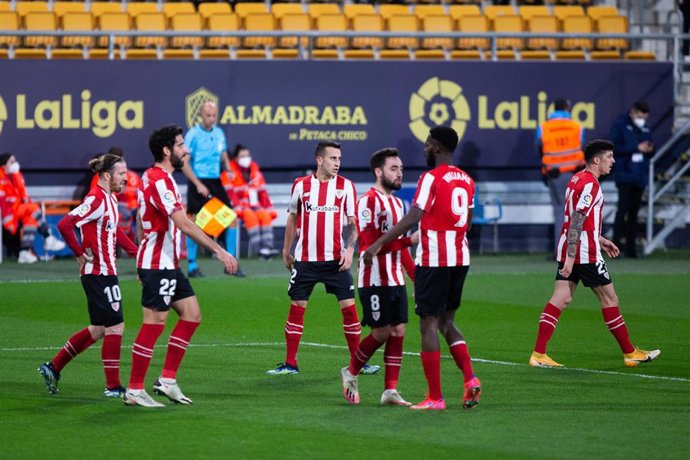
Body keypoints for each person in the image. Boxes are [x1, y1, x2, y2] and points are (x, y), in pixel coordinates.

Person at [363, 126, 482, 411]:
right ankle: (470, 379)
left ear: (437, 147)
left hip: (435, 259)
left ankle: (435, 397)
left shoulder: (431, 177)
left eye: (428, 144)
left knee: (429, 325)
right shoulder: (467, 180)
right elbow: (467, 221)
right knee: (447, 323)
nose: (425, 148)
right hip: (460, 258)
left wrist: (377, 243)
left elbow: (414, 216)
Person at [123, 125, 238, 407]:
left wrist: (140, 257)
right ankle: (135, 389)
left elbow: (140, 219)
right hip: (158, 264)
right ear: (167, 150)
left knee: (191, 314)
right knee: (155, 322)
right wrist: (219, 250)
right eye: (181, 145)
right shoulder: (160, 180)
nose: (186, 149)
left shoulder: (160, 178)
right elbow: (183, 223)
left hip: (166, 264)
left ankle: (167, 380)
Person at [529, 140, 660, 369]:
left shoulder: (576, 178)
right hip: (584, 252)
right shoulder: (591, 184)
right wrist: (572, 258)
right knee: (610, 299)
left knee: (561, 298)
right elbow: (577, 220)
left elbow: (575, 218)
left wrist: (600, 238)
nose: (613, 161)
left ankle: (538, 354)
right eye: (609, 157)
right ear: (596, 160)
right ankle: (630, 353)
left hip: (572, 245)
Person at [267, 141, 378, 376]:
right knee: (298, 306)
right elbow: (292, 219)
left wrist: (349, 251)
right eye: (333, 158)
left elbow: (353, 224)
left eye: (339, 159)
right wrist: (286, 251)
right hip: (305, 259)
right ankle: (290, 363)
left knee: (349, 307)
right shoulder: (300, 185)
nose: (337, 163)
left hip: (335, 260)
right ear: (319, 160)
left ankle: (358, 362)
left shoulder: (346, 186)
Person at [37, 153, 138, 397]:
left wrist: (139, 252)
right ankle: (113, 386)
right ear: (106, 176)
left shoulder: (110, 199)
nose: (126, 178)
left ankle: (54, 367)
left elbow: (116, 234)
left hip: (104, 273)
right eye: (121, 174)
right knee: (116, 327)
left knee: (99, 329)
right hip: (99, 273)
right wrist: (79, 252)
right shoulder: (96, 199)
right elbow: (65, 224)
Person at [340, 148, 417, 406]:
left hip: (396, 279)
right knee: (382, 331)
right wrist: (409, 239)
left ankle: (390, 391)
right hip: (373, 280)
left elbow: (401, 249)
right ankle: (350, 373)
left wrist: (416, 277)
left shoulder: (398, 203)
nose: (399, 173)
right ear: (378, 171)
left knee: (398, 330)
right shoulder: (368, 202)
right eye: (393, 168)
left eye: (401, 169)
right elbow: (371, 245)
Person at [183, 100, 243, 277]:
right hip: (198, 181)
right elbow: (185, 164)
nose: (211, 119)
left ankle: (231, 264)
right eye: (208, 115)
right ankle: (192, 266)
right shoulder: (192, 134)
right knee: (192, 221)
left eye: (214, 116)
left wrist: (228, 167)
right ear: (201, 115)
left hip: (215, 181)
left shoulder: (219, 133)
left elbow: (223, 153)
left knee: (231, 218)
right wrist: (198, 184)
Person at [535, 99, 586, 256]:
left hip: (554, 174)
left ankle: (561, 250)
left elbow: (539, 147)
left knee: (560, 212)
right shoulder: (577, 126)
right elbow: (581, 145)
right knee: (575, 212)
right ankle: (572, 250)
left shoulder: (544, 127)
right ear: (567, 108)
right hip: (573, 173)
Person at [0, 152, 66, 263]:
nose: (14, 163)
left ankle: (24, 252)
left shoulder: (16, 175)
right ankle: (48, 236)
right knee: (33, 207)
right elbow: (3, 201)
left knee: (30, 218)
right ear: (4, 165)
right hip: (8, 212)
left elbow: (23, 194)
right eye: (11, 161)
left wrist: (16, 176)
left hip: (18, 209)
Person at [610, 101, 654, 259]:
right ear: (633, 112)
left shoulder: (646, 127)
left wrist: (649, 149)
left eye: (644, 117)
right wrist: (636, 148)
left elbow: (649, 145)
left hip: (640, 174)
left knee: (634, 213)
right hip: (625, 173)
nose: (642, 119)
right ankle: (615, 247)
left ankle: (631, 248)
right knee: (622, 210)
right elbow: (613, 147)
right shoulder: (620, 124)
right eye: (640, 116)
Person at [221, 144, 279, 260]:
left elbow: (263, 192)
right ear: (236, 158)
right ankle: (260, 250)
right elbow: (230, 194)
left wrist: (268, 207)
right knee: (250, 216)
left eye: (247, 155)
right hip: (239, 206)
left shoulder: (255, 170)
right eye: (242, 156)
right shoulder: (229, 172)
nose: (246, 158)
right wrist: (238, 207)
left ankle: (267, 247)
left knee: (265, 215)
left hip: (254, 204)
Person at [89, 147, 141, 244]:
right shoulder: (100, 178)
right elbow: (95, 196)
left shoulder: (131, 175)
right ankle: (122, 246)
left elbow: (139, 191)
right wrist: (79, 253)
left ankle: (140, 243)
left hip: (131, 205)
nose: (124, 177)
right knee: (124, 214)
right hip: (113, 206)